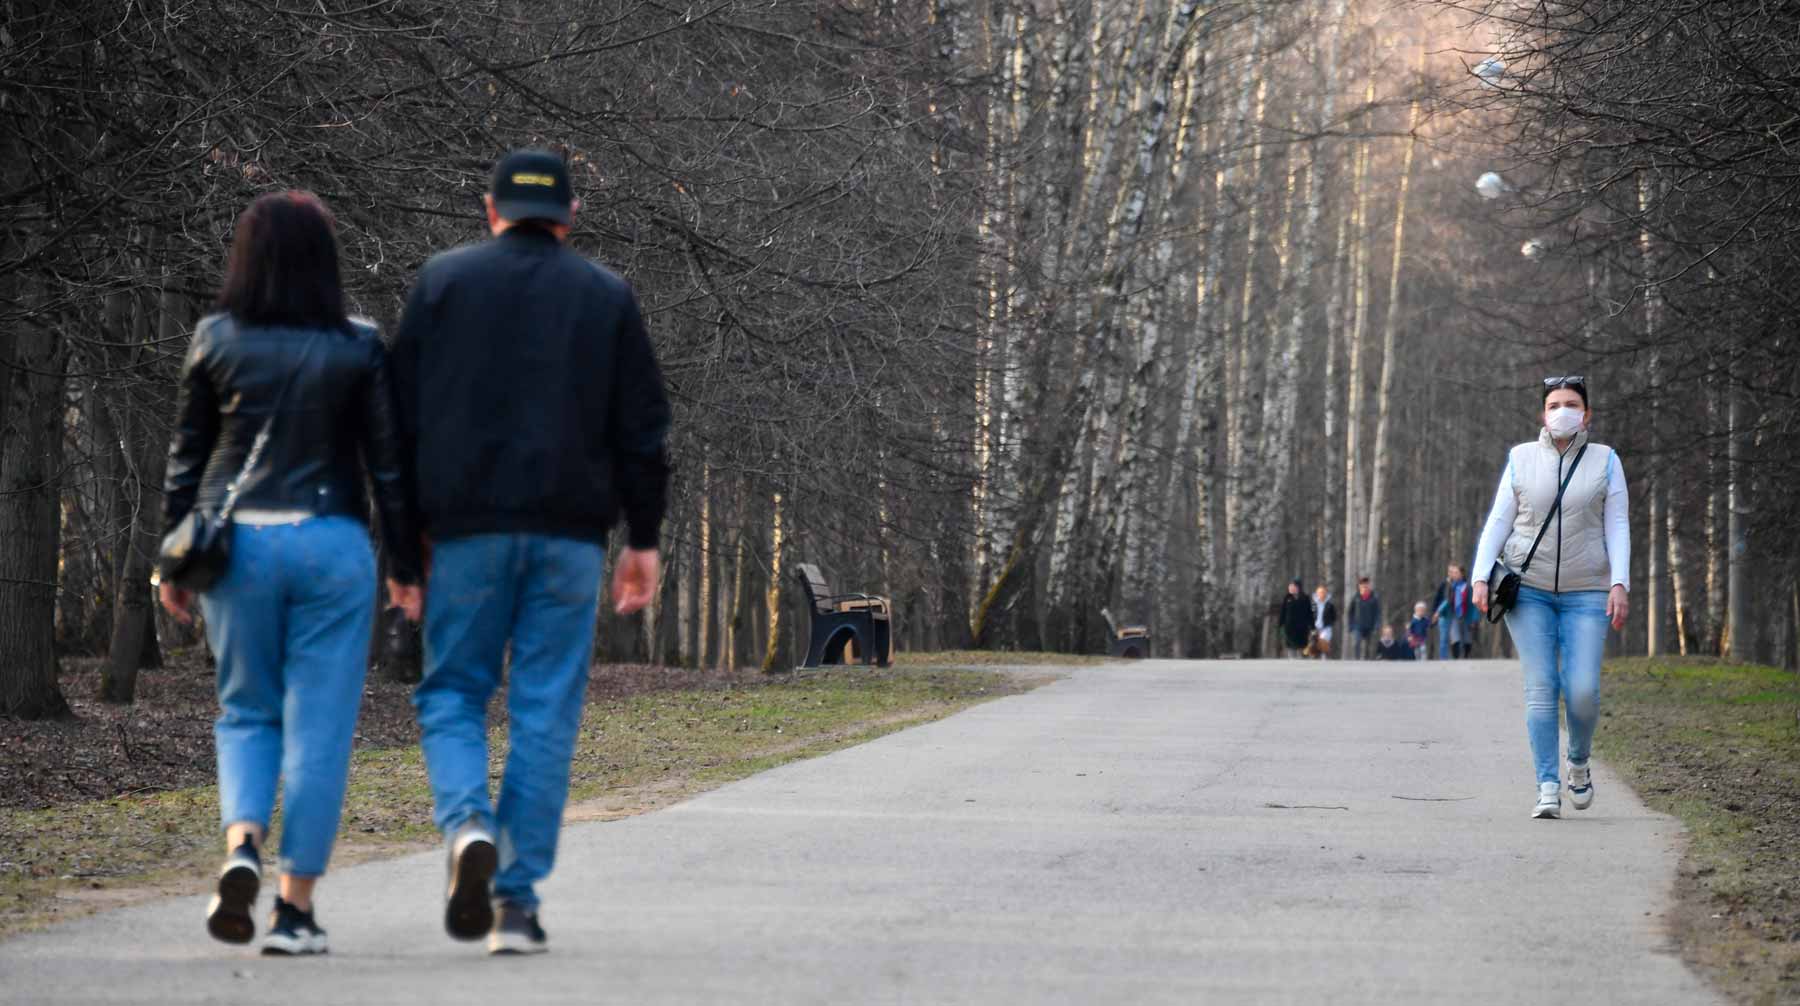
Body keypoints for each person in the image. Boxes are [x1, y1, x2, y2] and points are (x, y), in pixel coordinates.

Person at [392, 148, 672, 955]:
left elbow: (398, 425)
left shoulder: (442, 284)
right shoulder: (606, 295)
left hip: (465, 535)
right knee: (545, 709)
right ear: (570, 214)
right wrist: (642, 539)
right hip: (569, 538)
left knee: (451, 694)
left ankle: (468, 827)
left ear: (491, 209)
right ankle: (514, 903)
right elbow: (644, 431)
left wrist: (403, 549)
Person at [157, 191, 424, 955]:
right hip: (331, 544)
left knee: (245, 712)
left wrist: (171, 558)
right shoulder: (359, 345)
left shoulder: (216, 339)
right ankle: (294, 911)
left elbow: (187, 459)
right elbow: (390, 468)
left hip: (238, 547)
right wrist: (406, 567)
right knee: (320, 732)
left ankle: (242, 840)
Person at [1473, 375, 1629, 820]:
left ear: (1587, 413)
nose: (1563, 410)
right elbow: (1500, 520)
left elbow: (1617, 524)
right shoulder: (1521, 459)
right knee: (1542, 688)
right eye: (1555, 403)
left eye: (1572, 403)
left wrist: (1621, 582)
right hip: (1530, 591)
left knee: (1582, 691)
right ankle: (1547, 784)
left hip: (1587, 591)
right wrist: (1480, 575)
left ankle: (1578, 761)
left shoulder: (1606, 461)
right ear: (1543, 414)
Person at [1432, 564, 1477, 659]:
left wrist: (1474, 618)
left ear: (1462, 574)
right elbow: (1447, 601)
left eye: (1456, 573)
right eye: (1453, 573)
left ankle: (1466, 655)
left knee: (1467, 638)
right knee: (1455, 637)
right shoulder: (1451, 586)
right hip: (1454, 615)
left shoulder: (1467, 587)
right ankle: (1456, 657)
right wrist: (1438, 611)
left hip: (1466, 615)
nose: (1454, 575)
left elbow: (1473, 604)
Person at [1347, 576, 1382, 660]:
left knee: (1369, 645)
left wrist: (1377, 624)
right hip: (1357, 625)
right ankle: (1357, 659)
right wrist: (1351, 625)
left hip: (1370, 625)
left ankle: (1367, 660)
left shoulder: (1374, 598)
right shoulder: (1355, 598)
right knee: (1357, 642)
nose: (1364, 588)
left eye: (1366, 586)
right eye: (1362, 586)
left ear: (1369, 586)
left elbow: (1378, 613)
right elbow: (1350, 612)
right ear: (1359, 586)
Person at [1278, 579, 1313, 658]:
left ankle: (1302, 661)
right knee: (1290, 646)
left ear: (1298, 587)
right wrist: (1280, 625)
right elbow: (1283, 612)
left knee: (1302, 646)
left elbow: (1309, 613)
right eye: (1290, 586)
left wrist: (1312, 626)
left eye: (1292, 586)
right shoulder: (1287, 597)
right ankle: (1292, 662)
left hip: (1302, 627)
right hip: (1289, 626)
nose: (1290, 588)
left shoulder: (1305, 598)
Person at [1310, 584, 1337, 659]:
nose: (1321, 594)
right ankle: (1314, 657)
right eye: (1320, 592)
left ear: (1325, 593)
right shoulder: (1313, 604)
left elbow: (1334, 616)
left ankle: (1324, 656)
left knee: (1323, 641)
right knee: (1313, 644)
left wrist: (1330, 623)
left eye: (1323, 592)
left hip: (1326, 627)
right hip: (1315, 627)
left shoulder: (1329, 605)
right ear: (1317, 593)